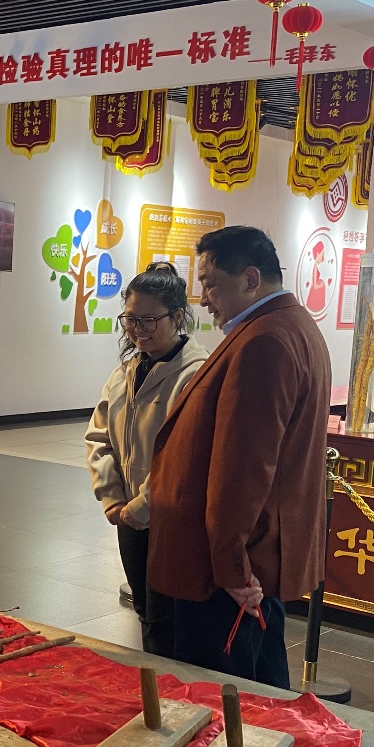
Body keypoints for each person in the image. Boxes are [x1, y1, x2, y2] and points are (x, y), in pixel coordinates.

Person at [145, 226, 330, 688]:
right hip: (249, 557)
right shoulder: (288, 325)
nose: (203, 299)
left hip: (226, 571)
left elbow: (243, 470)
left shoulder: (264, 341)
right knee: (260, 686)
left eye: (210, 284)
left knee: (224, 696)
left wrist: (232, 571)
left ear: (250, 279)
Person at [85, 264, 208, 656]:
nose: (137, 330)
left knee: (166, 618)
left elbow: (185, 458)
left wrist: (142, 506)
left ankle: (169, 686)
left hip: (170, 518)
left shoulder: (194, 376)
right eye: (130, 319)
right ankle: (153, 684)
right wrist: (111, 497)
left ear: (177, 316)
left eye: (149, 320)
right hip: (127, 515)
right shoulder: (125, 372)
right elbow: (98, 436)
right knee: (143, 608)